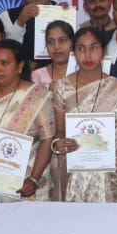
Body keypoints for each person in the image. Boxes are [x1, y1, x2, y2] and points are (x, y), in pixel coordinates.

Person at [51, 26, 117, 203]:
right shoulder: (62, 88)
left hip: (111, 176)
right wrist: (58, 143)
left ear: (103, 50)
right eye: (81, 49)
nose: (87, 55)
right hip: (75, 174)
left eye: (94, 48)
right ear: (73, 52)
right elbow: (60, 131)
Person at [0, 40, 55, 202]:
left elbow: (47, 139)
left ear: (20, 66)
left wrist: (34, 178)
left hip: (26, 185)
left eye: (5, 63)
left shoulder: (38, 95)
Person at [31, 20, 75, 196]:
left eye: (62, 40)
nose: (56, 47)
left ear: (72, 43)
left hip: (76, 147)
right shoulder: (36, 76)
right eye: (51, 42)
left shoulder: (83, 75)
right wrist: (47, 93)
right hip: (43, 149)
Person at [4, 0, 70, 67]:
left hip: (60, 75)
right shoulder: (7, 16)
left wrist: (65, 17)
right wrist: (20, 21)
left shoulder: (64, 13)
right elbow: (5, 52)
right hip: (22, 75)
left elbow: (76, 51)